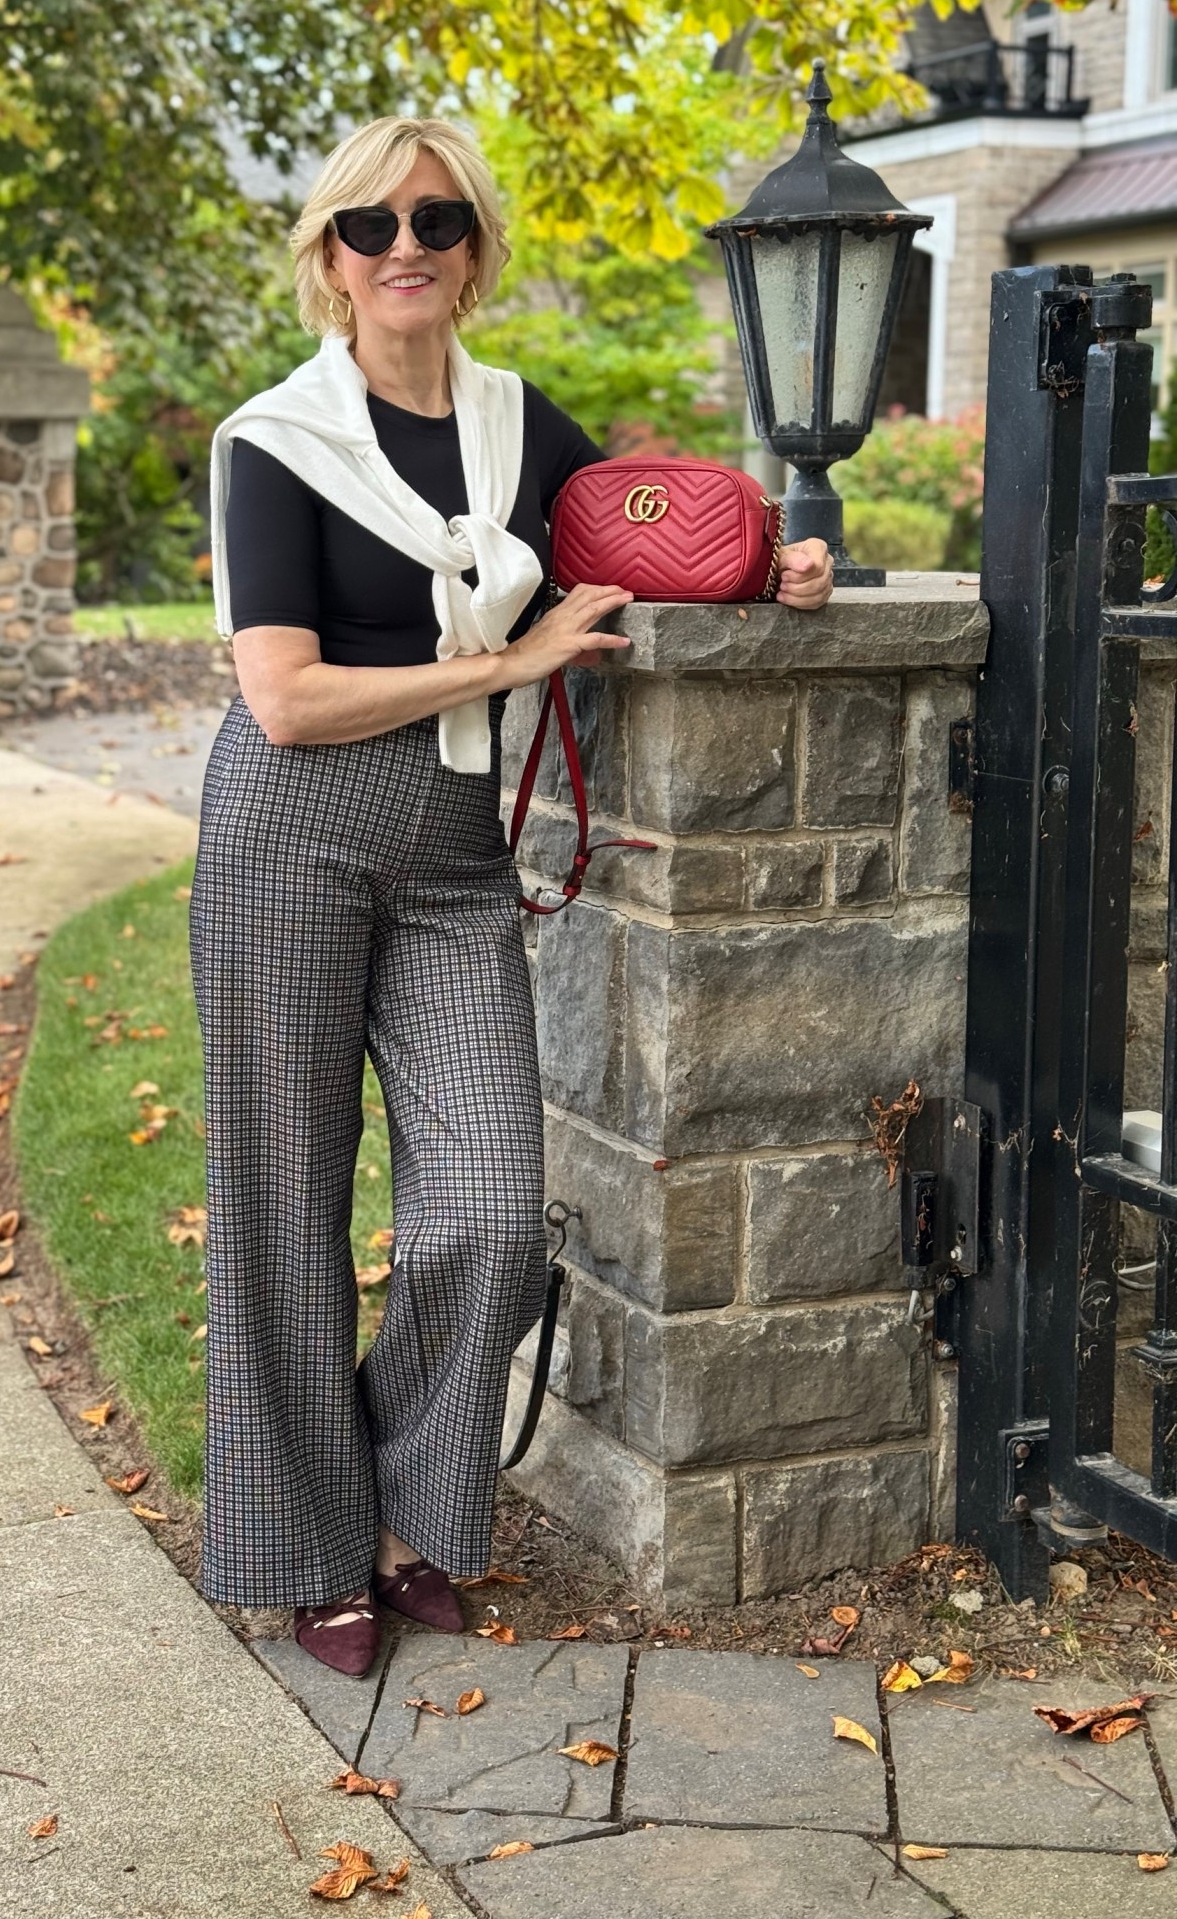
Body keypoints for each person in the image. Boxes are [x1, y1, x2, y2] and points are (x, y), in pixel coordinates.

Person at [190, 114, 833, 1679]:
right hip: (294, 829)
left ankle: (408, 1515)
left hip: (455, 853)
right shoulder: (274, 443)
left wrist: (779, 571)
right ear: (327, 260)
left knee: (481, 1210)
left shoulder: (517, 428)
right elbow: (283, 699)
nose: (403, 247)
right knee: (286, 1200)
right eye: (369, 227)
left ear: (476, 249)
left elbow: (641, 537)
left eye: (437, 219)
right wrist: (506, 661)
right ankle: (307, 1548)